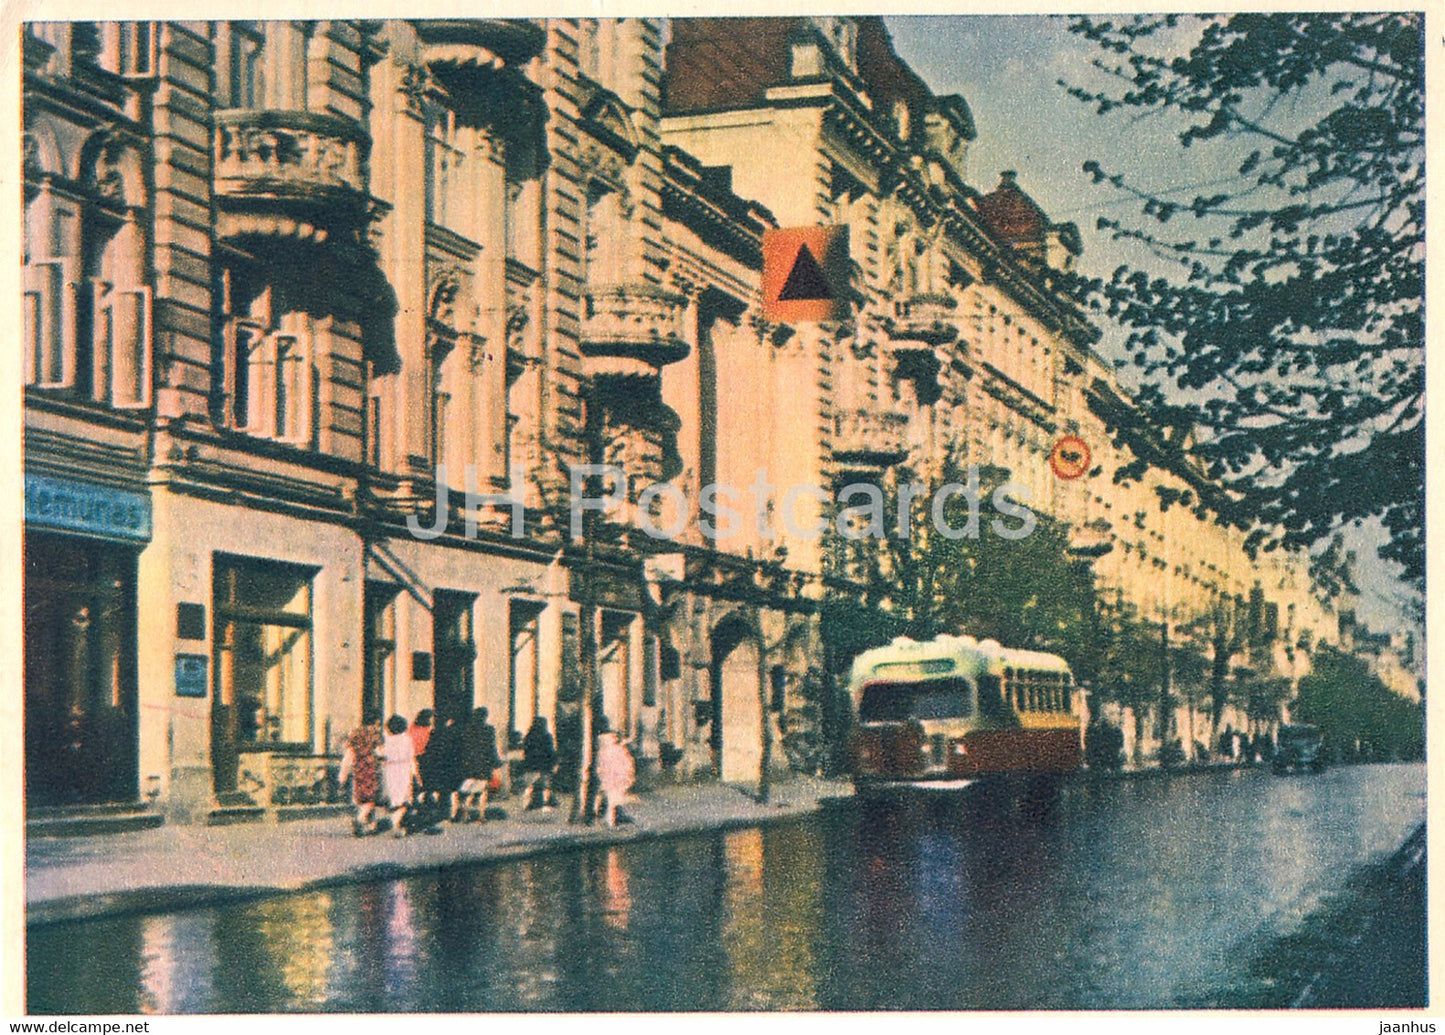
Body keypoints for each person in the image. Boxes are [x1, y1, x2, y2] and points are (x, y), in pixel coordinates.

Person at [338, 712, 383, 836]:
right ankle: (360, 820)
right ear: (375, 722)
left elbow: (349, 753)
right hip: (370, 768)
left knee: (361, 796)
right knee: (371, 798)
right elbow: (379, 752)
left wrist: (343, 773)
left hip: (358, 768)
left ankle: (372, 824)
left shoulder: (354, 734)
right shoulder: (374, 734)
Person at [458, 707, 504, 822]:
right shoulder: (489, 730)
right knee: (482, 792)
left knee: (465, 792)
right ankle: (481, 816)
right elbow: (491, 749)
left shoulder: (466, 729)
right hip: (483, 765)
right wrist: (496, 765)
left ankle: (465, 815)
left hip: (468, 765)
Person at [380, 714, 420, 837]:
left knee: (394, 797)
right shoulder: (407, 739)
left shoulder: (386, 740)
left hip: (389, 769)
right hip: (404, 768)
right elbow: (411, 757)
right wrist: (416, 774)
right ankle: (395, 823)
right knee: (405, 800)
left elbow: (381, 754)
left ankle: (394, 821)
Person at [595, 729, 635, 828]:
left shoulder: (603, 751)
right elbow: (627, 764)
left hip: (612, 779)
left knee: (611, 801)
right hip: (614, 779)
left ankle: (608, 820)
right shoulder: (618, 750)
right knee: (612, 802)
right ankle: (609, 821)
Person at [521, 716, 557, 811]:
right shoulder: (547, 736)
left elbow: (526, 751)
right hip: (544, 766)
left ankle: (531, 802)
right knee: (544, 785)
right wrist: (553, 763)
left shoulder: (529, 736)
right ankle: (544, 802)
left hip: (531, 765)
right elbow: (550, 751)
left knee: (531, 785)